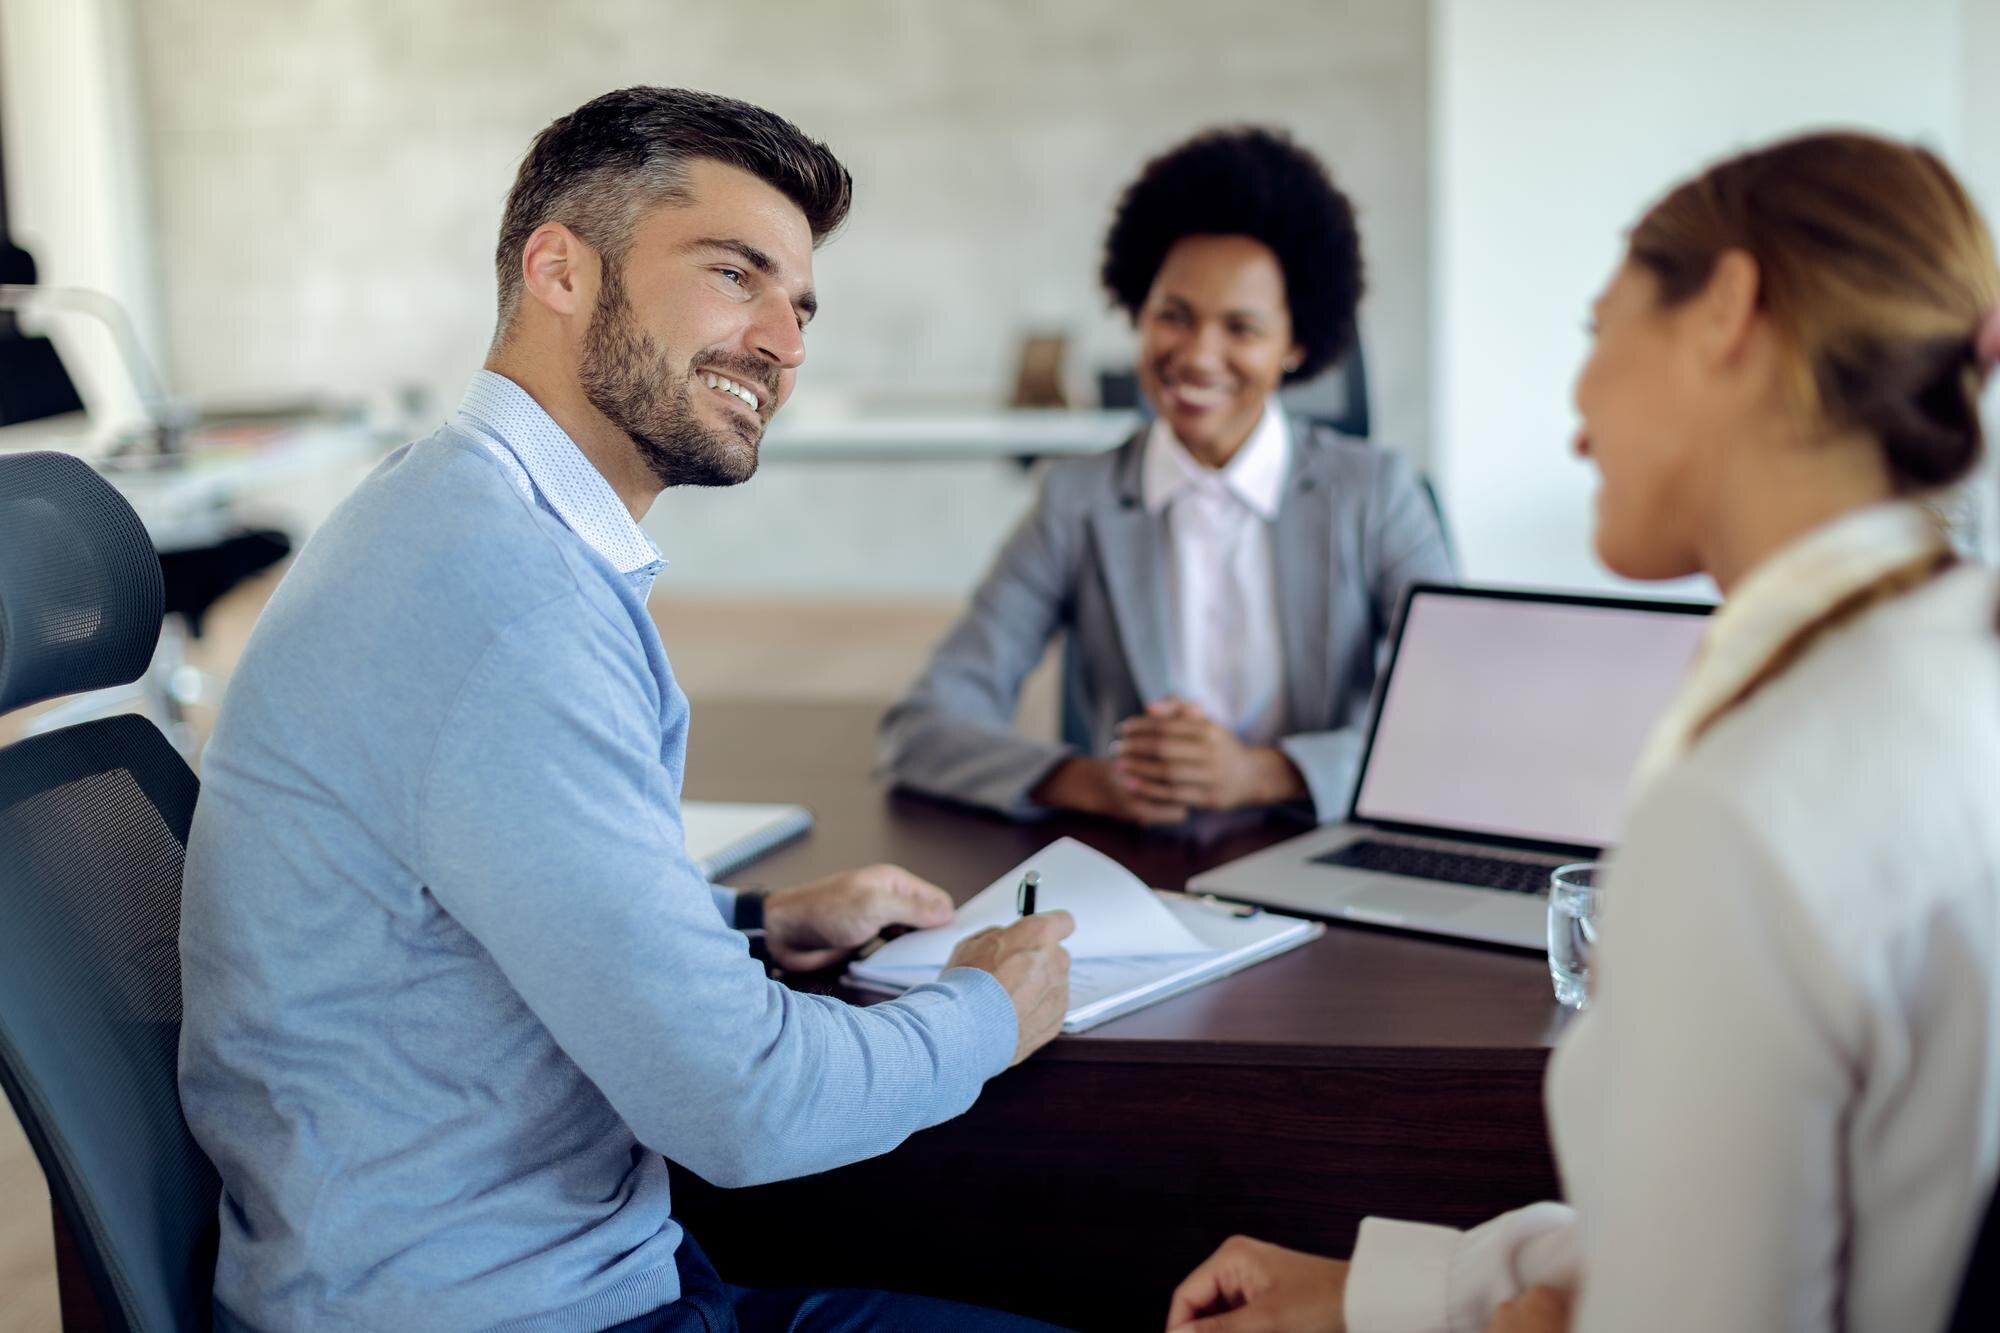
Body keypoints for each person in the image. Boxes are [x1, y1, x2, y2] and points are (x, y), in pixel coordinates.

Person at [177, 87, 1075, 1333]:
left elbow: (466, 899)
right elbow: (745, 1108)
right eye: (733, 275)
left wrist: (749, 922)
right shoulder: (508, 606)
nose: (783, 341)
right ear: (557, 268)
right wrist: (988, 1011)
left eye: (800, 304)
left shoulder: (451, 512)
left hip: (515, 1267)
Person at [1163, 130, 2000, 1333]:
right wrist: (1391, 1291)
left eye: (1594, 333)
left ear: (1725, 311)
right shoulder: (1938, 666)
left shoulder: (1747, 808)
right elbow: (1765, 1221)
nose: (1574, 424)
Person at [878, 127, 1454, 827]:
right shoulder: (1075, 500)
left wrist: (1261, 772)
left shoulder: (1378, 494)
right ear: (1138, 314)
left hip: (1318, 854)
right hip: (1142, 864)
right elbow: (923, 726)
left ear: (1296, 346)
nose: (1198, 355)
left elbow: (1451, 720)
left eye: (1241, 328)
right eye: (1173, 316)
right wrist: (1090, 781)